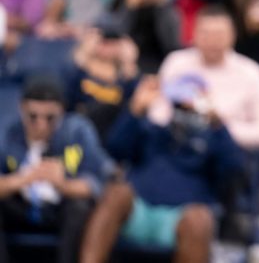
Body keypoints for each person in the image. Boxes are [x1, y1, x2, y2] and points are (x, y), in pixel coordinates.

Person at [78, 74, 244, 263]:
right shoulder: (153, 132)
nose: (184, 111)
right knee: (116, 193)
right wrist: (135, 111)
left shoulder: (213, 140)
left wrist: (218, 124)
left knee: (200, 219)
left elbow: (234, 168)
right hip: (139, 212)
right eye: (179, 105)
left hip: (181, 218)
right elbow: (116, 149)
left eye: (190, 107)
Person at [0, 77, 111, 263]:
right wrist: (23, 179)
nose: (41, 125)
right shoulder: (8, 132)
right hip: (20, 205)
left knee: (80, 207)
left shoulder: (77, 131)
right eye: (33, 117)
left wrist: (62, 184)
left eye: (50, 118)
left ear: (62, 110)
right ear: (21, 109)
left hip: (60, 208)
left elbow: (97, 184)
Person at [151, 5, 259, 152]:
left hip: (227, 155)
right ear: (193, 34)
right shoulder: (176, 62)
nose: (212, 41)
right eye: (206, 34)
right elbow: (157, 113)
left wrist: (218, 128)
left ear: (233, 35)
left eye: (219, 35)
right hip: (176, 148)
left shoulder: (251, 72)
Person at [67, 26, 140, 138]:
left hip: (113, 134)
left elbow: (132, 107)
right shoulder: (80, 73)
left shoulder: (126, 79)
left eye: (113, 43)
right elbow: (68, 99)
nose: (108, 48)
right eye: (104, 42)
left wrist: (129, 63)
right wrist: (83, 56)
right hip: (82, 130)